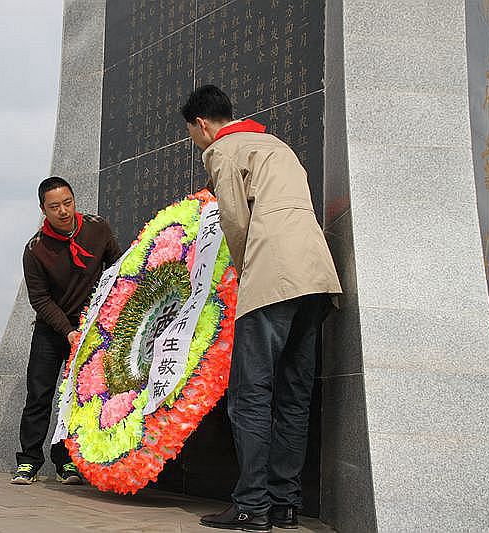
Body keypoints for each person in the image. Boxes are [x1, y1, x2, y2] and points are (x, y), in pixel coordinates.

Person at [181, 85, 342, 531]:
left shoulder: (223, 149)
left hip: (272, 276)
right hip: (316, 275)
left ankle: (252, 504)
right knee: (294, 396)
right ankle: (286, 504)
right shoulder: (276, 145)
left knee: (250, 396)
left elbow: (235, 220)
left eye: (193, 133)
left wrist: (242, 270)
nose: (197, 142)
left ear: (202, 124)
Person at [12, 176, 121, 485]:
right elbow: (40, 299)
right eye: (54, 207)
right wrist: (66, 331)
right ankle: (29, 460)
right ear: (43, 209)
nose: (62, 211)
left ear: (74, 200)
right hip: (51, 329)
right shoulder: (35, 249)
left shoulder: (97, 227)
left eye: (67, 203)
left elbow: (116, 266)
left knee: (75, 397)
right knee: (39, 395)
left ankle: (66, 461)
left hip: (89, 328)